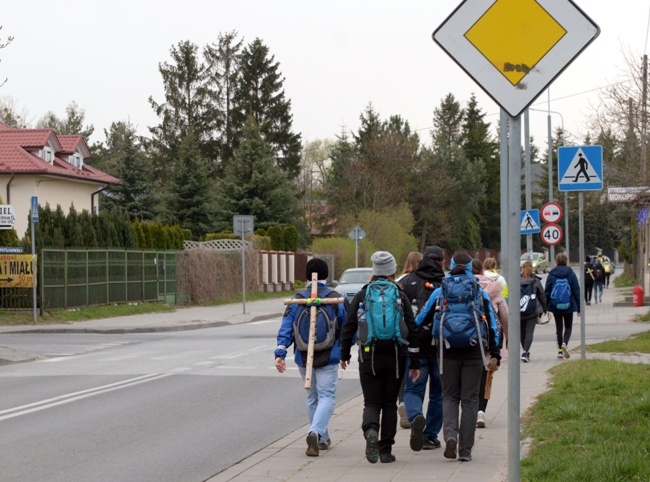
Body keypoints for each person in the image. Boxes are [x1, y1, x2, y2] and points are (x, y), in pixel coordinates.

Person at [416, 252, 501, 462]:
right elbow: (492, 324)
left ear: (451, 266)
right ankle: (465, 450)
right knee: (470, 400)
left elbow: (419, 320)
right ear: (471, 267)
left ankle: (450, 436)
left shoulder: (441, 290)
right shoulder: (479, 292)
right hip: (474, 352)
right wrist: (495, 352)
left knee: (449, 397)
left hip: (446, 352)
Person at [340, 251, 421, 464]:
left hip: (369, 355)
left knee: (371, 402)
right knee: (390, 404)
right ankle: (385, 451)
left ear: (374, 271)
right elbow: (412, 329)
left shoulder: (363, 294)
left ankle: (371, 431)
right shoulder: (399, 294)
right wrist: (414, 362)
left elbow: (348, 326)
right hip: (396, 355)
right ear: (393, 270)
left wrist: (344, 354)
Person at [274, 258, 349, 457]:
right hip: (329, 355)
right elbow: (347, 327)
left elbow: (286, 328)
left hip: (303, 354)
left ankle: (321, 439)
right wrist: (345, 352)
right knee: (326, 397)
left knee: (312, 397)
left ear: (306, 275)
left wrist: (280, 353)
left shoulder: (297, 299)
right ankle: (315, 433)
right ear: (326, 274)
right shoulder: (335, 298)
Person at [401, 246, 445, 450]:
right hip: (442, 348)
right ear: (442, 262)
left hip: (414, 347)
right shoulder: (447, 285)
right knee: (439, 393)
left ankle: (416, 416)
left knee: (412, 390)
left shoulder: (405, 283)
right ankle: (429, 436)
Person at [471, 259, 508, 429]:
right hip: (489, 339)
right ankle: (481, 412)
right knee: (486, 375)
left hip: (468, 338)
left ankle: (468, 410)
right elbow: (504, 316)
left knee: (468, 373)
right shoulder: (494, 287)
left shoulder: (462, 287)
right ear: (482, 271)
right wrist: (508, 338)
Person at [395, 250, 423, 428]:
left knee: (402, 369)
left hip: (401, 331)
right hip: (419, 331)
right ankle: (414, 406)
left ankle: (403, 403)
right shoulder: (424, 282)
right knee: (416, 368)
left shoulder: (400, 281)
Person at [544, 252, 581, 360]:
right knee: (568, 327)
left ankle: (560, 351)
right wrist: (579, 307)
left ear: (556, 261)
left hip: (556, 306)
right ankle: (565, 343)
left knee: (559, 327)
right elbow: (576, 291)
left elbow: (547, 292)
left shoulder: (552, 274)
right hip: (569, 305)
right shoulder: (571, 273)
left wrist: (545, 307)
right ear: (566, 261)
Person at [520, 260, 548, 363]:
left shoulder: (516, 280)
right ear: (532, 269)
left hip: (519, 310)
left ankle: (525, 351)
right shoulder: (535, 280)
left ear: (522, 269)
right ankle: (525, 352)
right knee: (529, 332)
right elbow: (542, 296)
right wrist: (545, 310)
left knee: (522, 333)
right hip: (532, 310)